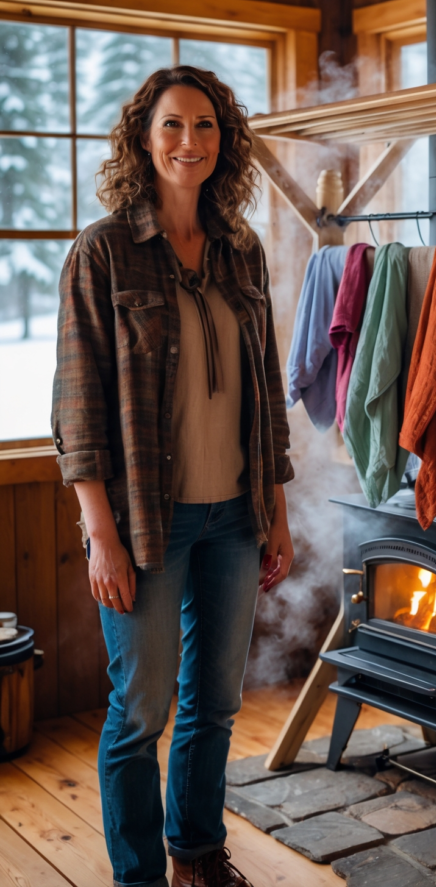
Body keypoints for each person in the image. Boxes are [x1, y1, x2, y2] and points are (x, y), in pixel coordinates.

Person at [52, 65, 295, 887]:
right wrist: (101, 537)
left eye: (205, 127)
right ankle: (138, 876)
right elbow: (79, 407)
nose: (189, 142)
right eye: (172, 125)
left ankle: (196, 854)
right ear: (142, 138)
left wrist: (277, 509)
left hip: (235, 513)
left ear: (224, 143)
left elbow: (264, 385)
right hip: (144, 522)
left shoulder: (241, 249)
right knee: (141, 710)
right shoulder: (105, 251)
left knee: (216, 704)